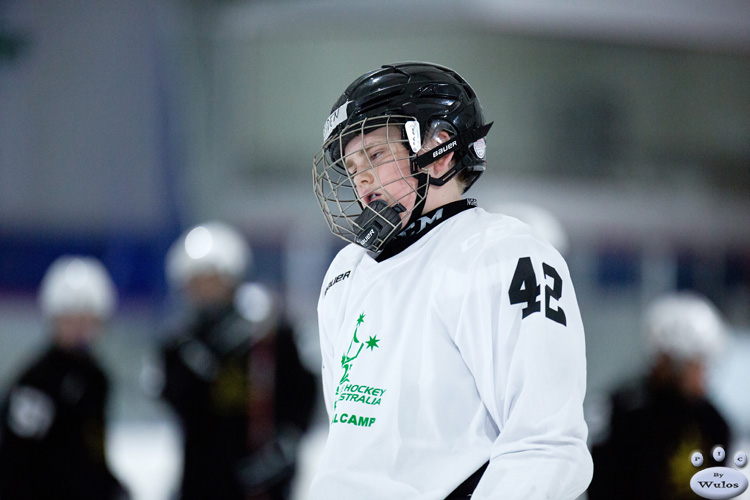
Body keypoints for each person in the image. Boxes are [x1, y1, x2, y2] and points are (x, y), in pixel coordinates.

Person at [309, 62, 592, 499]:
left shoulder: (502, 255)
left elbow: (545, 444)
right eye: (350, 164)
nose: (360, 176)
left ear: (439, 147)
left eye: (375, 155)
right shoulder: (346, 273)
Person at [152, 221, 316, 500]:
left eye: (212, 279)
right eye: (195, 281)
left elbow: (301, 391)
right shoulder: (179, 343)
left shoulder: (269, 333)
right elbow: (174, 399)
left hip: (262, 476)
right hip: (203, 478)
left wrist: (285, 446)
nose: (204, 290)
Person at [0, 256, 130, 500]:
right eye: (70, 318)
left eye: (87, 318)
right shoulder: (36, 382)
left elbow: (91, 450)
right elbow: (13, 461)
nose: (80, 328)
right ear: (53, 319)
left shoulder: (97, 377)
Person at [588, 291, 731, 500]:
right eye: (697, 363)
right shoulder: (622, 413)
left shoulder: (713, 422)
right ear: (670, 361)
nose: (704, 375)